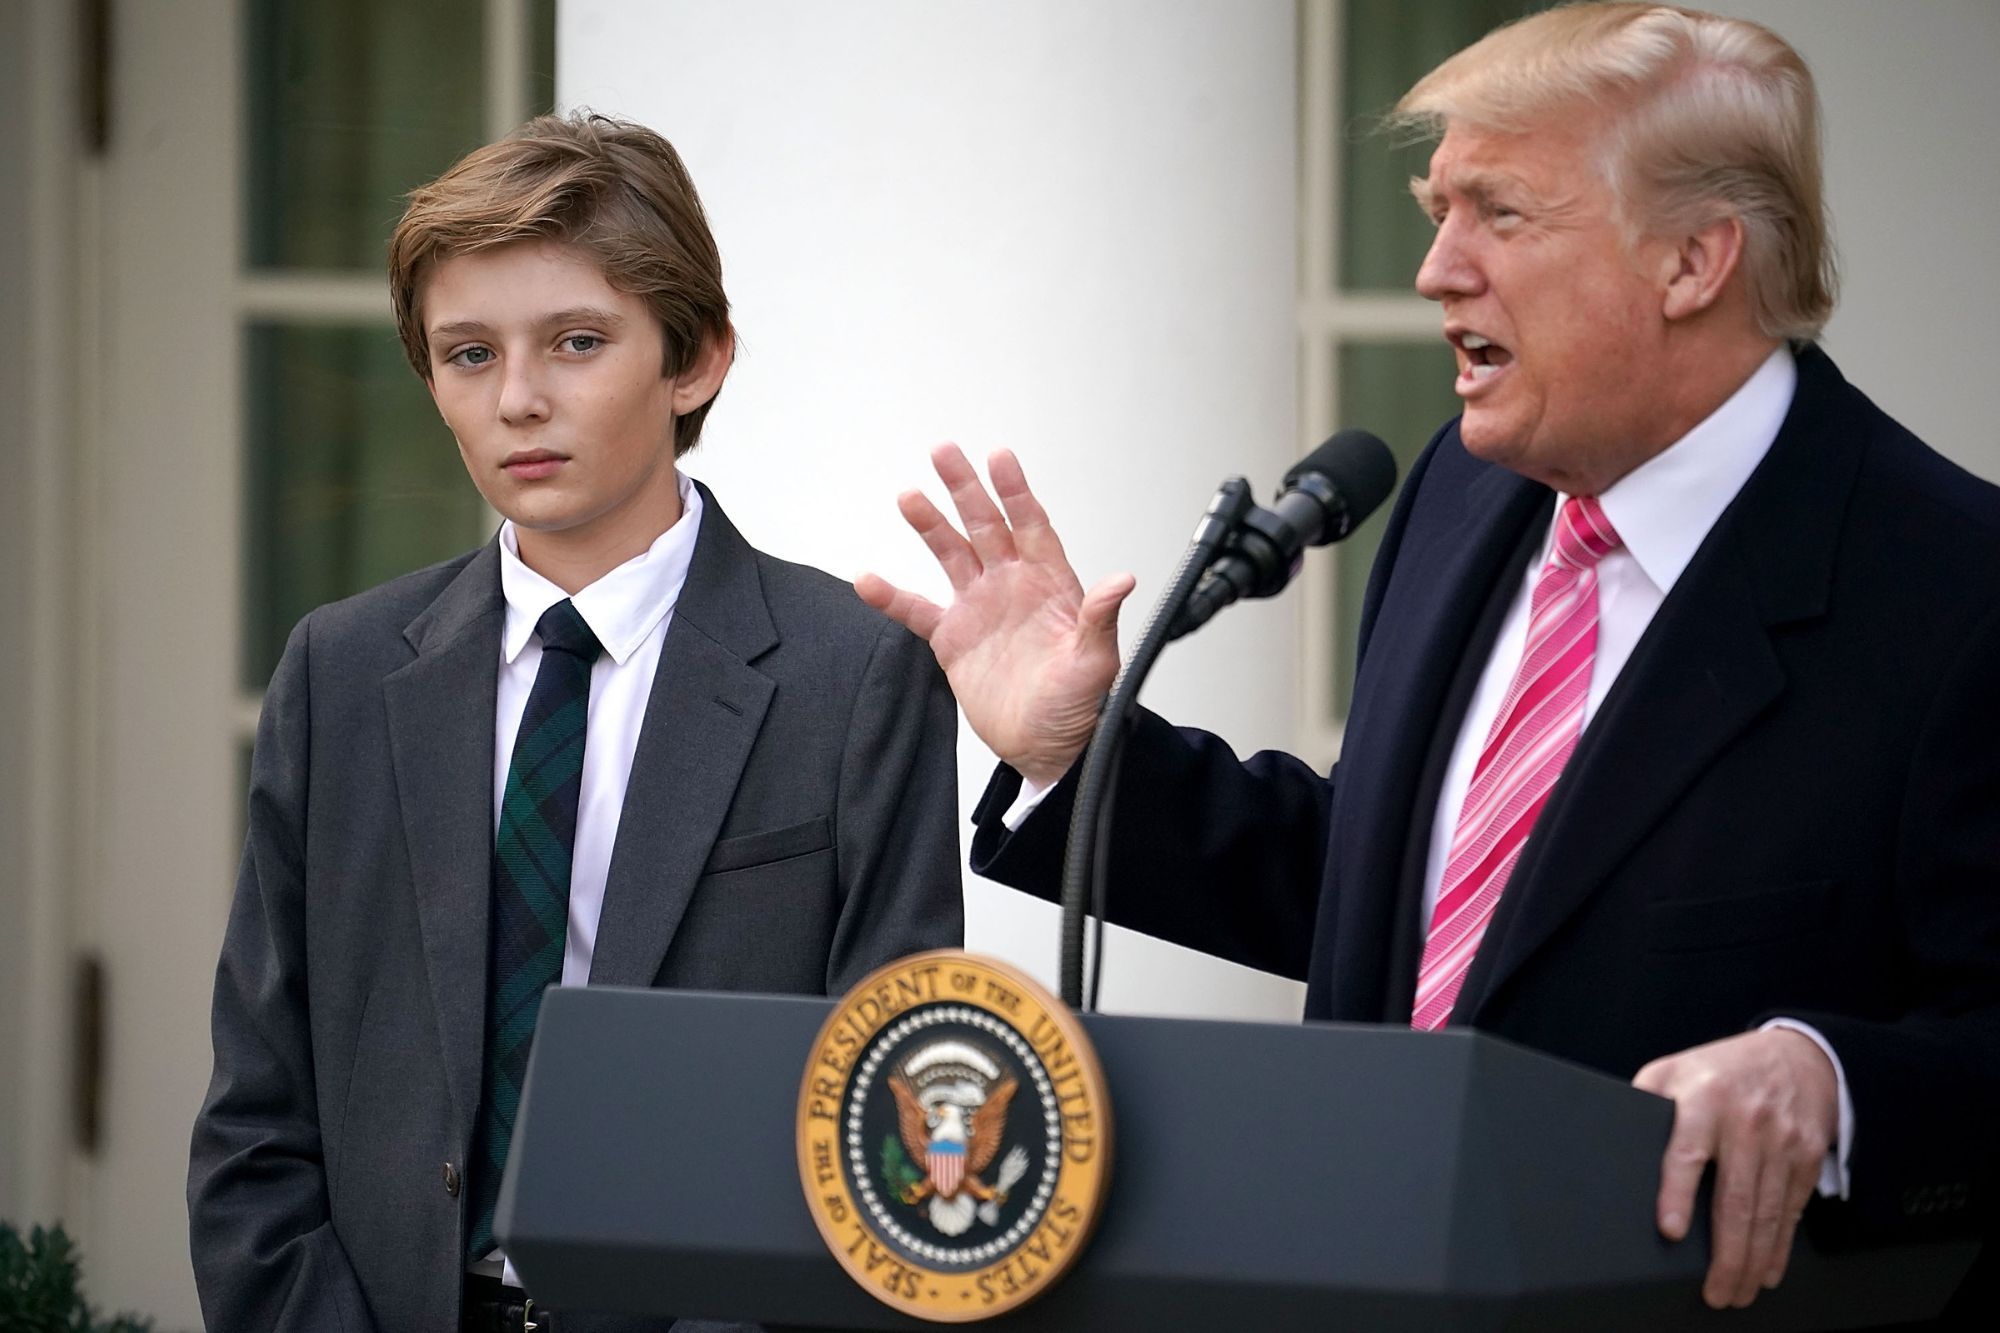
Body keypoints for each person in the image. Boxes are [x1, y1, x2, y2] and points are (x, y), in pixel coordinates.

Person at [858, 3, 2000, 1317]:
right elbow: (1409, 895)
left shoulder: (1958, 593)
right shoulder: (1464, 490)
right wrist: (1081, 756)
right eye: (1434, 207)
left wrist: (1829, 1078)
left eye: (1501, 216)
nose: (1436, 270)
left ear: (1694, 259)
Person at [189, 113, 962, 1333]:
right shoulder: (335, 673)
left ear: (694, 358)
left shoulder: (852, 677)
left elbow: (887, 1133)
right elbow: (255, 1112)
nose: (519, 400)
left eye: (578, 341)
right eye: (468, 355)